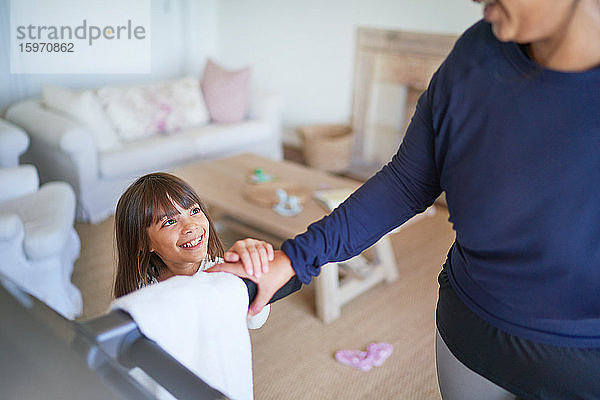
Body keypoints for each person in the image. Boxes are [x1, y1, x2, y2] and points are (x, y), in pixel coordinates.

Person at [209, 1, 600, 399]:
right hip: (470, 338)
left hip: (583, 366)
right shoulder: (475, 56)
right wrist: (294, 258)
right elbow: (406, 182)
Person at [113, 172, 300, 327]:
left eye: (194, 211)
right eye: (169, 222)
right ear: (143, 243)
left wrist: (253, 271)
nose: (191, 226)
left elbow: (256, 320)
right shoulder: (143, 289)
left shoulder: (224, 272)